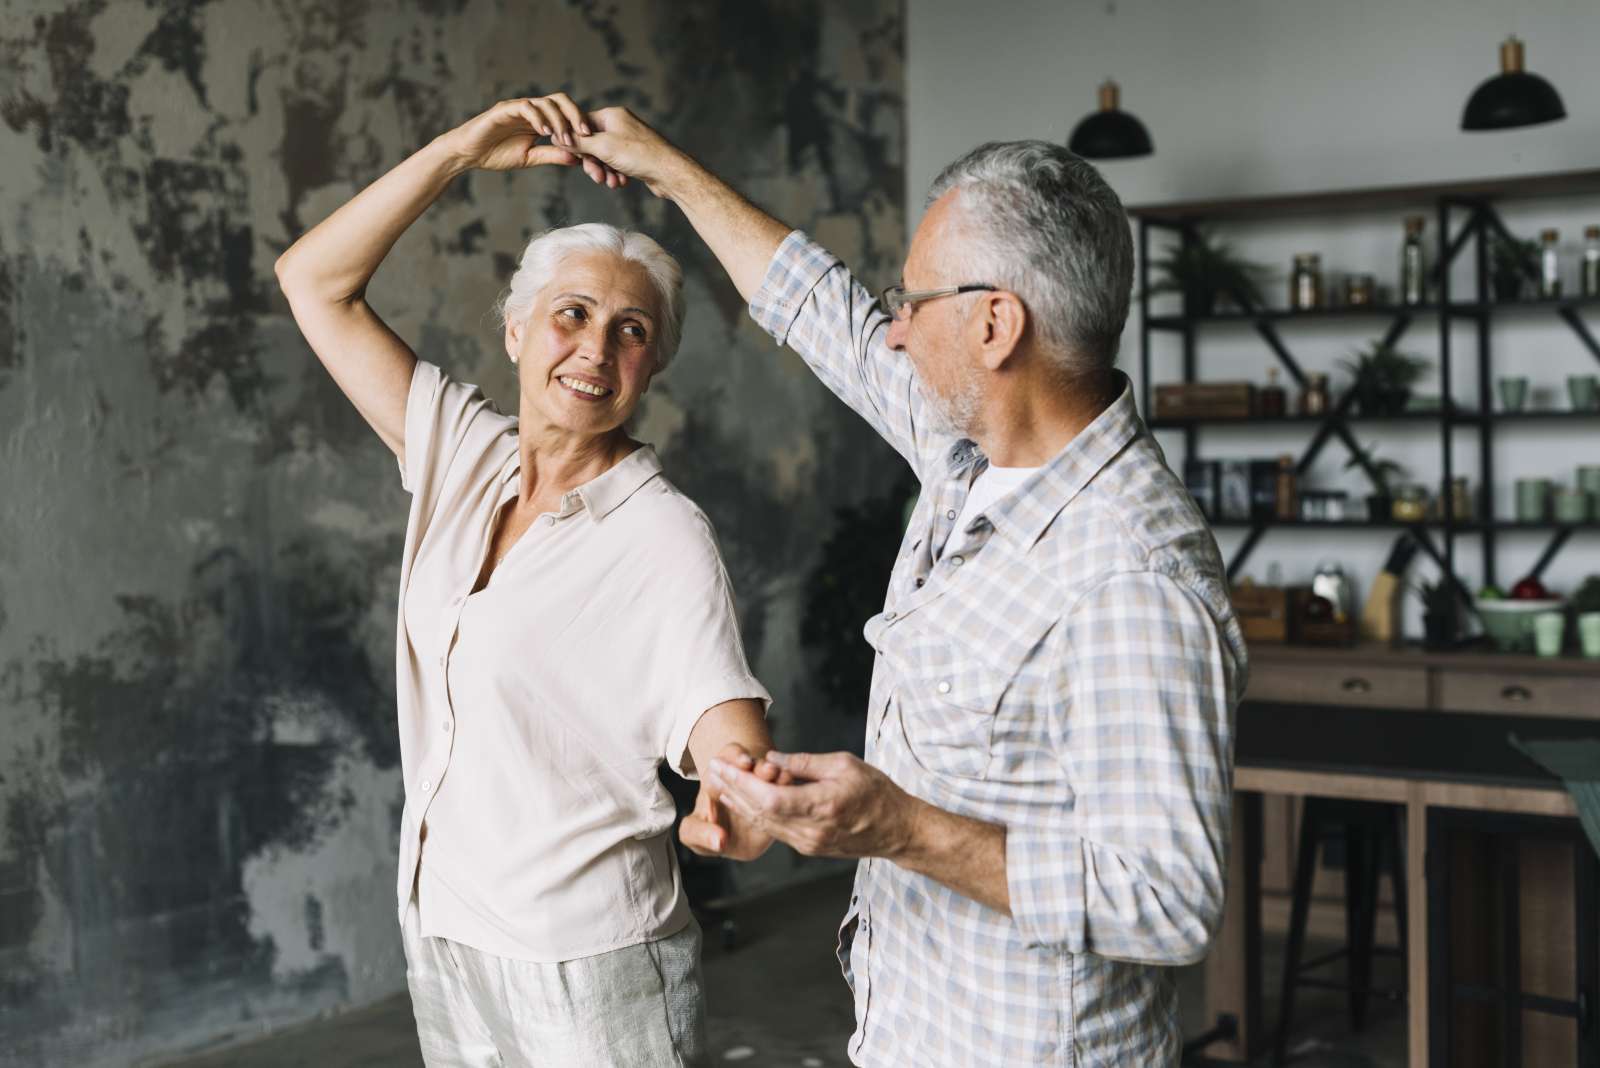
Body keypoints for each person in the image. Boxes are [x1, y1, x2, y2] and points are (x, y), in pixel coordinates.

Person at [574, 111, 1249, 1065]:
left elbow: (1169, 901)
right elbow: (821, 313)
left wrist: (899, 827)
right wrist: (663, 168)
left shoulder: (1129, 576)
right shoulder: (969, 451)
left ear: (993, 323)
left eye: (913, 301)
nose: (892, 331)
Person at [274, 94, 785, 1068]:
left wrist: (738, 800)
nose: (595, 348)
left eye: (631, 330)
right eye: (572, 314)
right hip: (449, 933)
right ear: (516, 333)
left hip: (588, 968)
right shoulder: (460, 450)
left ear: (653, 367)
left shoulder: (663, 536)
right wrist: (462, 148)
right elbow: (312, 282)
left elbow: (727, 733)